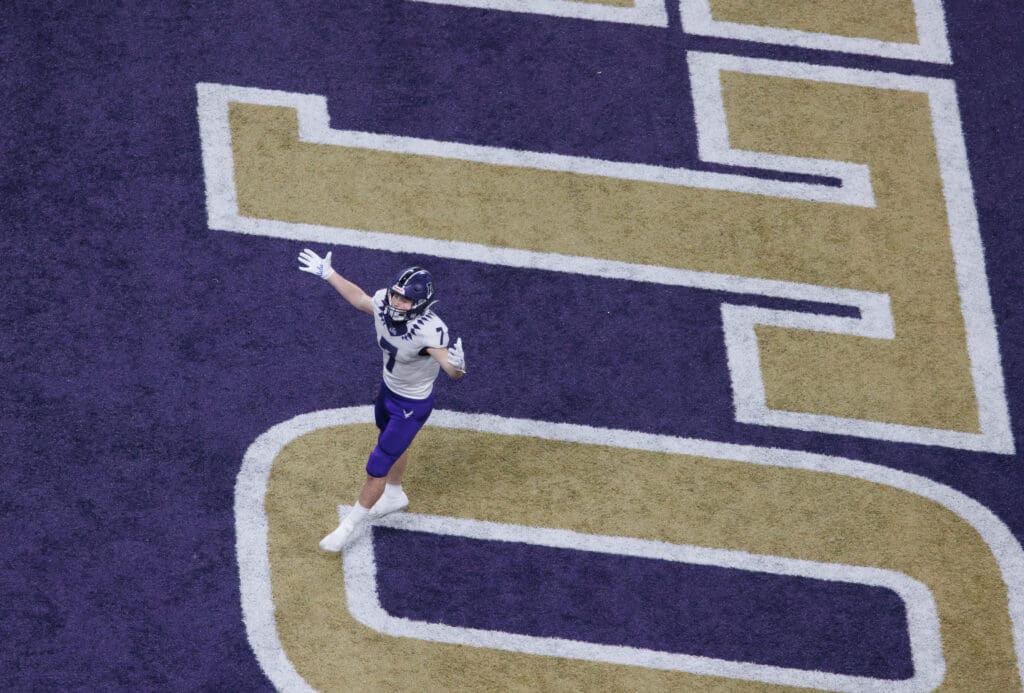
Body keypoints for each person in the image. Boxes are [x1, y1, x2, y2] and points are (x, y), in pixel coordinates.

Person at [297, 248, 466, 552]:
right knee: (392, 446)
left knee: (378, 465)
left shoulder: (430, 330)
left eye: (406, 299)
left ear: (421, 304)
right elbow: (360, 299)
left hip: (411, 405)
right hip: (388, 391)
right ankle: (395, 494)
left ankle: (347, 527)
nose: (398, 302)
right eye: (396, 295)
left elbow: (450, 370)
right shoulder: (384, 303)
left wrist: (457, 366)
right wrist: (329, 274)